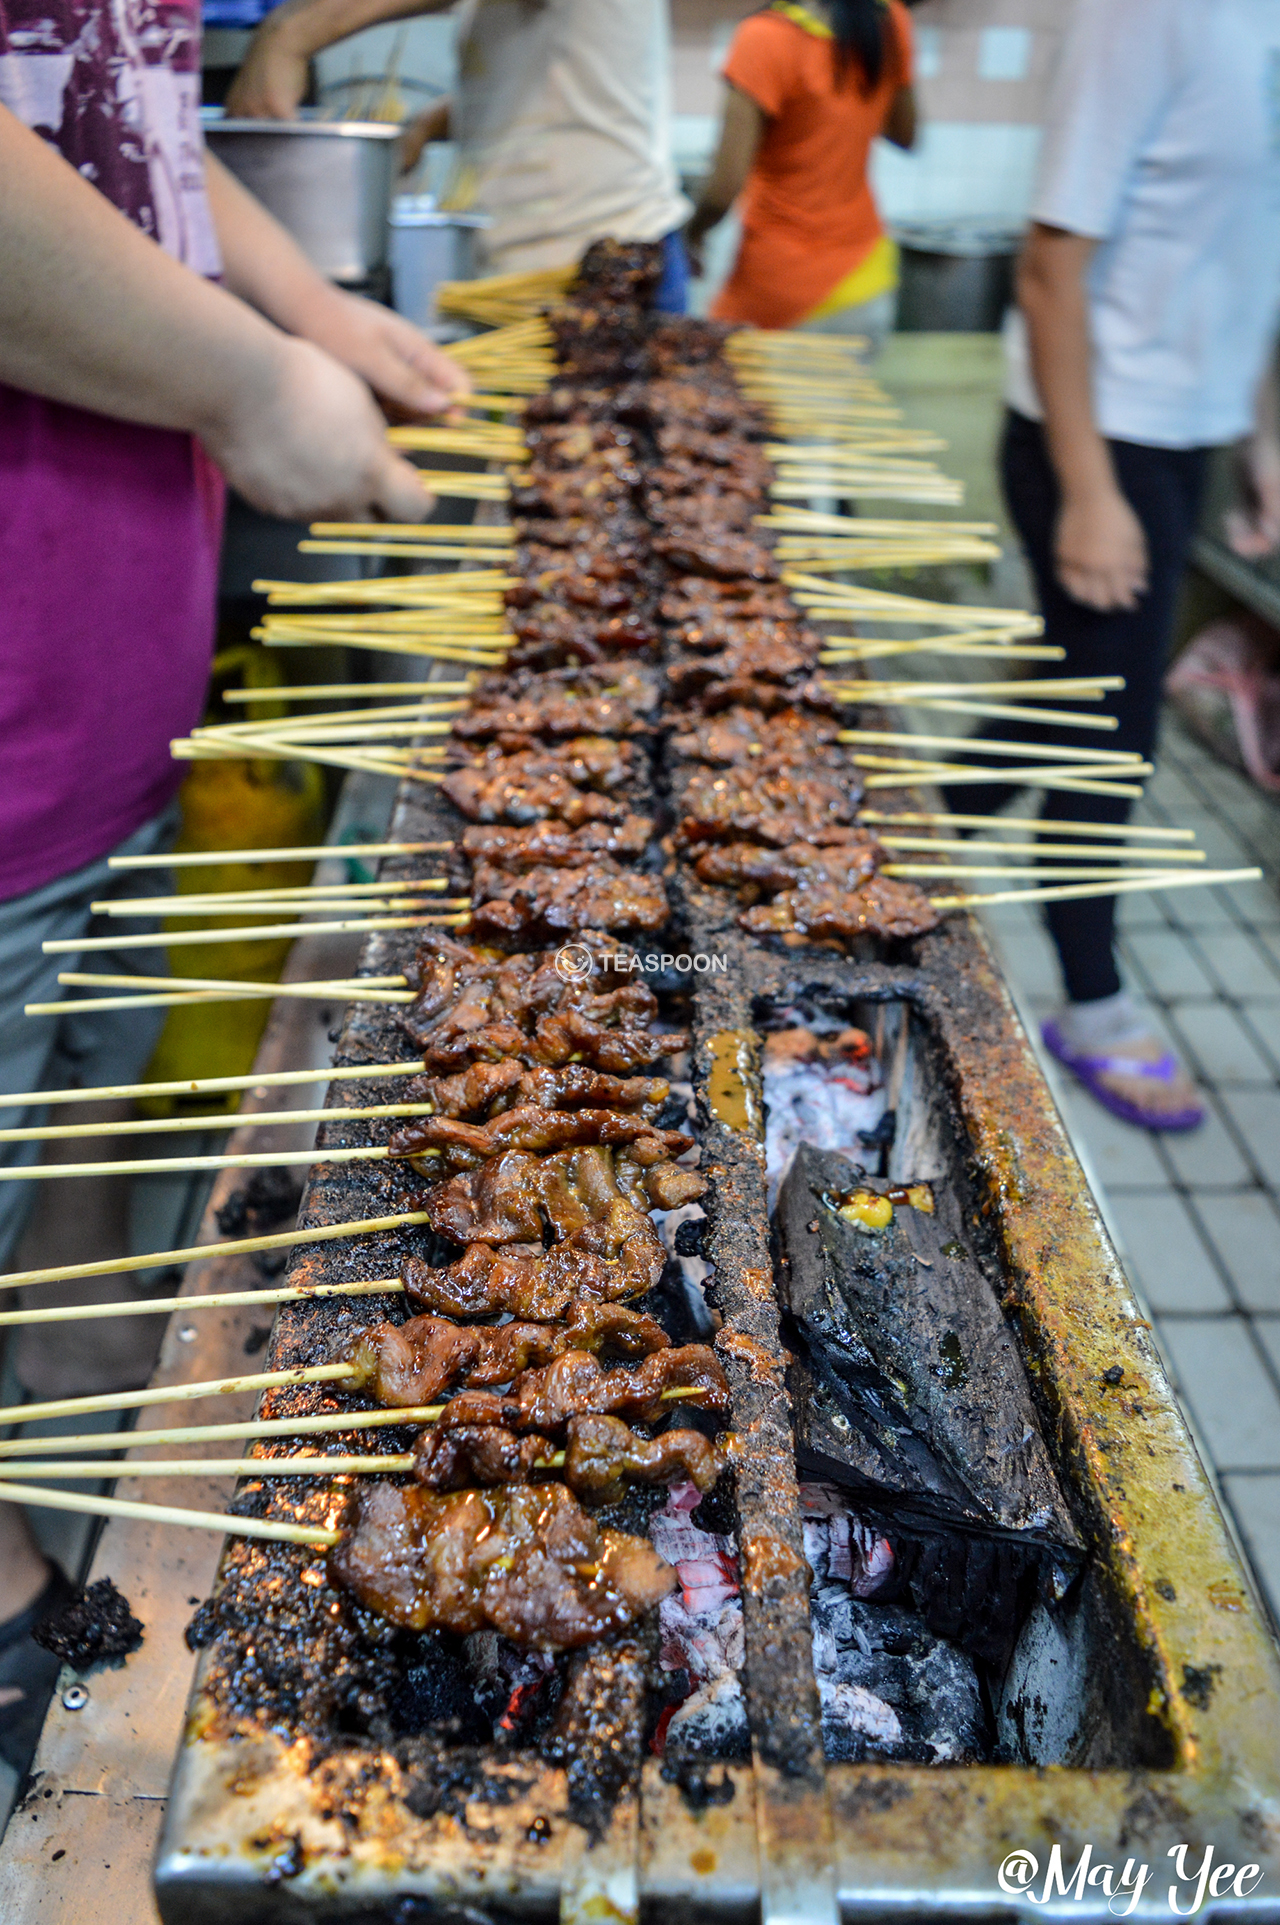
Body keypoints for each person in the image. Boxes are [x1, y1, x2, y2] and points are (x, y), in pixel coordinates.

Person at [0, 0, 466, 1766]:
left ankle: (61, 1413)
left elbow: (119, 115)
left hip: (109, 680)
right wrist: (253, 381)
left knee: (80, 1174)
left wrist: (309, 309)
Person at [956, 0, 1280, 1133]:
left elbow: (1248, 248)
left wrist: (1258, 436)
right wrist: (1088, 489)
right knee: (1110, 731)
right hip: (1095, 433)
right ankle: (1089, 998)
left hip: (1185, 431)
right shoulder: (1142, 13)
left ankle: (897, 830)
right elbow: (1049, 268)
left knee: (1073, 685)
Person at [227, 0, 693, 311]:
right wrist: (427, 127)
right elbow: (558, 81)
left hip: (599, 267)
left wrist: (292, 31)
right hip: (539, 270)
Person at [686, 0, 916, 354]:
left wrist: (692, 235)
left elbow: (722, 189)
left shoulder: (765, 38)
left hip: (780, 292)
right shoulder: (888, 17)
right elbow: (905, 132)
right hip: (867, 281)